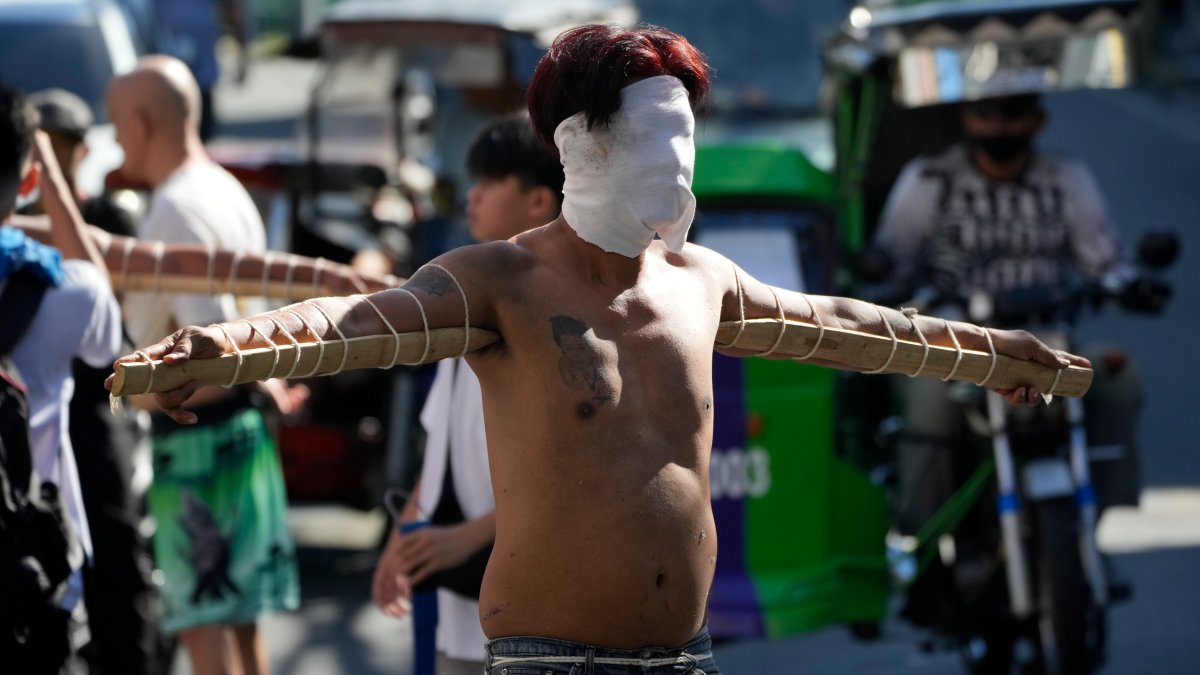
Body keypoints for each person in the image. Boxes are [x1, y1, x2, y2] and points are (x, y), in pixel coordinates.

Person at [119, 26, 1085, 675]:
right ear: (583, 144)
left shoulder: (699, 282)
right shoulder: (495, 280)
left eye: (686, 131)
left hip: (686, 654)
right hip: (549, 661)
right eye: (660, 132)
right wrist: (226, 348)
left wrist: (995, 353)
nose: (681, 157)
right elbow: (347, 327)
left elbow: (861, 330)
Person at [871, 93, 1141, 629]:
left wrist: (1131, 283)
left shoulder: (1067, 177)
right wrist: (885, 279)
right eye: (986, 114)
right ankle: (925, 555)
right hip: (957, 348)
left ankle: (1092, 527)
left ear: (1038, 120)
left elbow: (1106, 258)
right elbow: (890, 259)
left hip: (1049, 342)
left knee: (1120, 381)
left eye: (1013, 114)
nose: (999, 126)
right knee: (927, 406)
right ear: (966, 120)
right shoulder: (929, 180)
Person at [106, 55, 299, 675]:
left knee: (203, 620)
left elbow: (209, 356)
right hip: (241, 431)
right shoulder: (224, 188)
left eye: (116, 124)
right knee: (242, 623)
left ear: (138, 122)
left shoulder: (172, 211)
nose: (112, 140)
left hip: (195, 441)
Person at [372, 114, 565, 675]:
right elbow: (440, 455)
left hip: (526, 603)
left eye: (490, 180)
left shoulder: (555, 320)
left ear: (538, 201)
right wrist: (399, 540)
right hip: (458, 602)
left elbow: (568, 474)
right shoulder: (465, 299)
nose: (472, 195)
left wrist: (466, 538)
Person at [27, 86, 163, 675]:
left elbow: (102, 304)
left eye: (55, 148)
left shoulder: (108, 216)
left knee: (117, 558)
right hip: (38, 416)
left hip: (100, 410)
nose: (44, 162)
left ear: (81, 151)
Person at [0, 84, 123, 670]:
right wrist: (50, 183)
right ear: (26, 181)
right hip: (29, 567)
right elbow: (108, 338)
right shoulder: (64, 292)